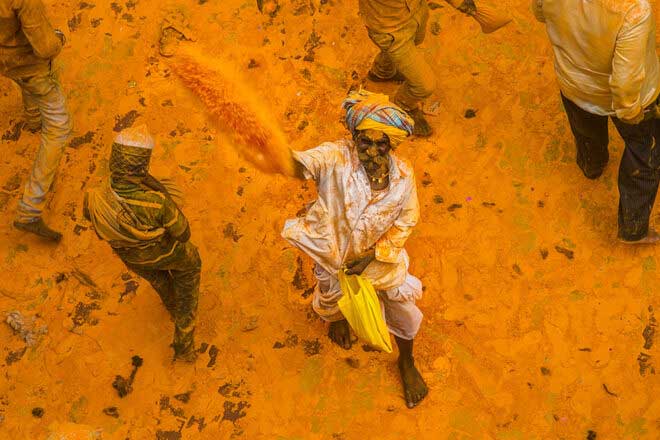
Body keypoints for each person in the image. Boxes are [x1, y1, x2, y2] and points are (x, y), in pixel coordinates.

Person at [282, 90, 427, 408]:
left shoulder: (403, 178)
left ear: (390, 145)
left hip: (379, 261)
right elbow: (301, 164)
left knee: (401, 308)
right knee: (332, 292)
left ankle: (406, 362)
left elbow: (407, 221)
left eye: (381, 144)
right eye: (365, 142)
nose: (372, 152)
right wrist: (268, 146)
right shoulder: (335, 158)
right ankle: (337, 319)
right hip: (333, 254)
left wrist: (376, 254)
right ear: (355, 138)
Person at [532, 0, 660, 243]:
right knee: (646, 153)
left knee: (586, 131)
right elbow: (625, 86)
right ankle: (633, 228)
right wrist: (632, 114)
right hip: (624, 99)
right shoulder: (634, 10)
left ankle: (592, 165)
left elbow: (540, 13)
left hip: (573, 84)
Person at [83, 125, 201, 362]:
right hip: (166, 253)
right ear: (141, 168)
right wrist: (164, 196)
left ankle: (171, 304)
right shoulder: (156, 204)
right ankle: (184, 344)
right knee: (189, 272)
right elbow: (183, 234)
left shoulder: (94, 195)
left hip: (131, 258)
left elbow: (90, 217)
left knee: (158, 279)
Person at [1, 0, 72, 242]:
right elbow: (44, 48)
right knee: (59, 127)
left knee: (25, 81)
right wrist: (59, 39)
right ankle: (30, 210)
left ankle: (33, 120)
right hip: (27, 62)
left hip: (5, 62)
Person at [360, 0, 437, 137]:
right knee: (425, 85)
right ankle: (404, 106)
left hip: (414, 13)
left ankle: (382, 71)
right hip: (390, 29)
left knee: (415, 40)